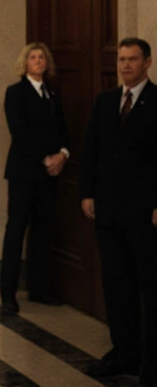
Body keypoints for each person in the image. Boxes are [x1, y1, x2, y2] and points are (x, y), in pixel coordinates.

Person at [81, 37, 157, 383]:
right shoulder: (105, 101)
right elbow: (91, 151)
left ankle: (151, 362)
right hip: (108, 211)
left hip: (145, 214)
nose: (125, 65)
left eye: (133, 59)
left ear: (148, 62)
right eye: (122, 59)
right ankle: (124, 352)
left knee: (149, 288)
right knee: (116, 285)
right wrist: (87, 193)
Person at [0, 42, 69, 315]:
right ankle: (8, 293)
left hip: (50, 175)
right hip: (24, 173)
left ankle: (40, 290)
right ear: (25, 63)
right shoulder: (15, 93)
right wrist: (46, 159)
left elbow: (63, 129)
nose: (38, 61)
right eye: (33, 57)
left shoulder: (52, 93)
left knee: (43, 231)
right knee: (16, 231)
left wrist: (62, 155)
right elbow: (20, 132)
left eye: (42, 57)